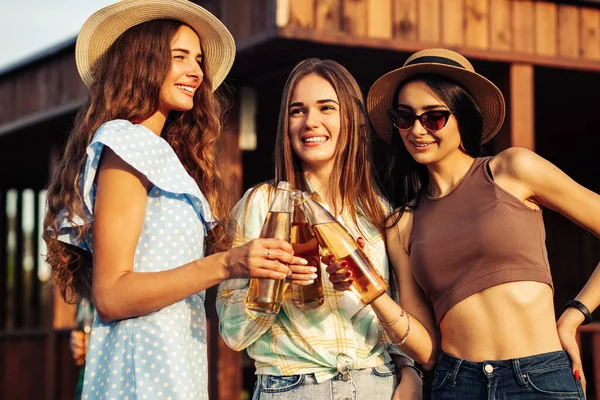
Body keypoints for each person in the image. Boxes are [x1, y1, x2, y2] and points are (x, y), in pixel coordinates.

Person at [42, 1, 305, 398]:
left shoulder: (160, 152)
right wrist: (229, 263)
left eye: (198, 60)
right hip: (140, 373)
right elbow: (112, 294)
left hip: (172, 364)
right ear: (141, 61)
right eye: (179, 56)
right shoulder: (127, 142)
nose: (197, 72)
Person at [328, 47, 600, 399]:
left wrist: (575, 314)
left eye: (434, 117)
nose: (417, 130)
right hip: (456, 384)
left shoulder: (513, 170)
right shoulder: (401, 224)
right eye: (405, 117)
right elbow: (427, 351)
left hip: (539, 378)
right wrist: (369, 290)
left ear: (464, 117)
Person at [216, 58, 423, 400]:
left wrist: (407, 369)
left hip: (376, 384)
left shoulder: (379, 212)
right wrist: (274, 280)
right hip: (293, 387)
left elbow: (399, 318)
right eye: (298, 111)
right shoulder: (260, 205)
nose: (311, 121)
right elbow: (233, 334)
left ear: (351, 120)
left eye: (326, 107)